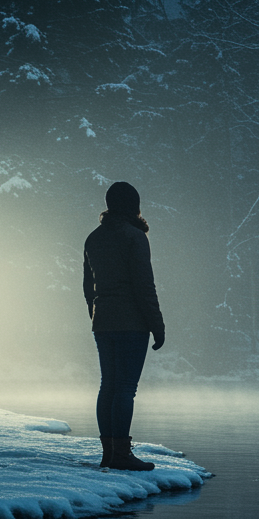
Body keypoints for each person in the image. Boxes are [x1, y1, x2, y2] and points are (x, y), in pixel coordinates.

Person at [83, 181, 166, 471]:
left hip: (103, 322)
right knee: (125, 388)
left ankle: (109, 453)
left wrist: (97, 315)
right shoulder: (135, 237)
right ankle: (121, 454)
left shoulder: (93, 238)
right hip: (132, 323)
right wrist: (158, 325)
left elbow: (87, 286)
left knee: (108, 386)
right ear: (133, 205)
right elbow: (144, 285)